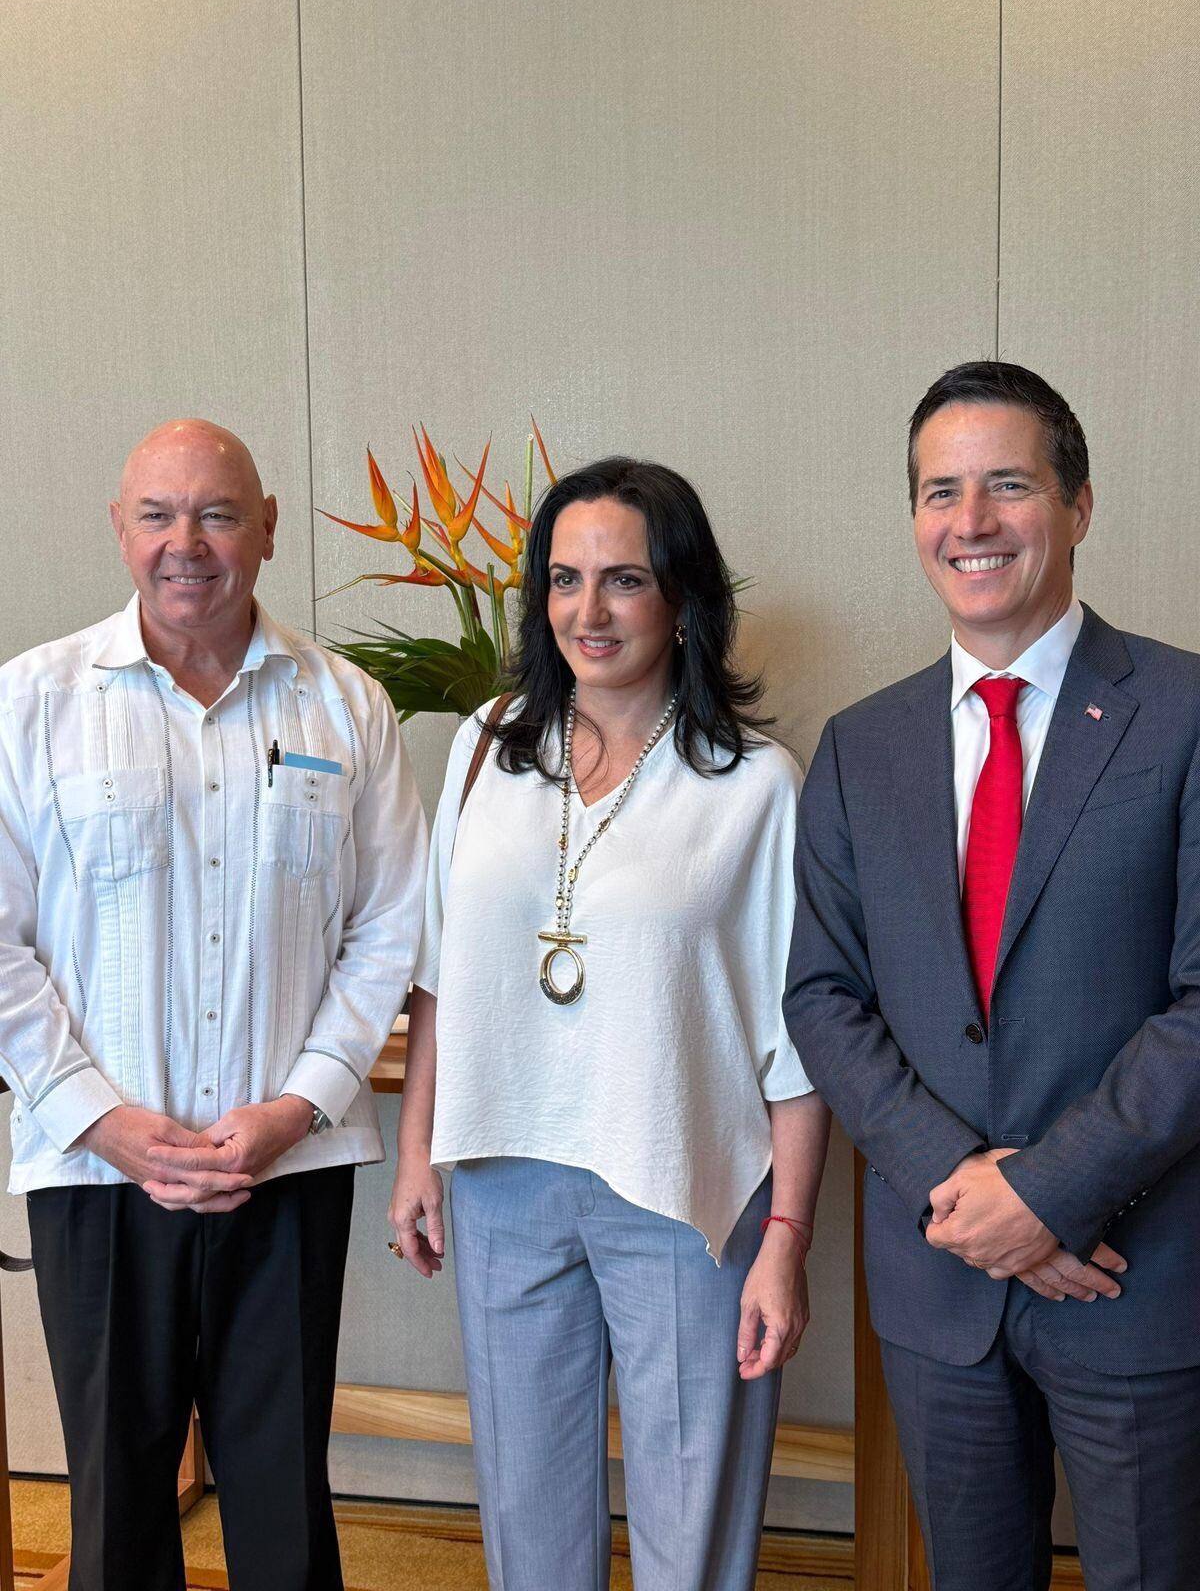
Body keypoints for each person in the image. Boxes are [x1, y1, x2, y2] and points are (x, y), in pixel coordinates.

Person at [785, 360, 1200, 1589]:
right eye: (939, 492)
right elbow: (824, 994)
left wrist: (1055, 1193)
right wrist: (968, 1187)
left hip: (1142, 1269)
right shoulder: (863, 747)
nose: (970, 522)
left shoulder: (1182, 711)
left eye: (1007, 486)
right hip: (940, 1273)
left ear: (1076, 503)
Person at [0, 420, 427, 1591]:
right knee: (115, 1498)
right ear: (119, 527)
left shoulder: (347, 707)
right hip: (95, 1175)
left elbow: (391, 926)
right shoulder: (29, 703)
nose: (186, 543)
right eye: (158, 514)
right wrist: (101, 1117)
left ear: (269, 525)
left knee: (283, 1491)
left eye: (218, 513)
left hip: (282, 1170)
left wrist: (300, 1105)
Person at [389, 456, 830, 1591]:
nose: (590, 610)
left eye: (624, 579)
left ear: (682, 599)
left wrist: (786, 1237)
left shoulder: (756, 786)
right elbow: (443, 966)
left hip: (683, 1189)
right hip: (499, 1177)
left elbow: (798, 1038)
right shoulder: (488, 741)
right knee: (527, 1522)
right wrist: (417, 1154)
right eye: (566, 578)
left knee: (694, 1533)